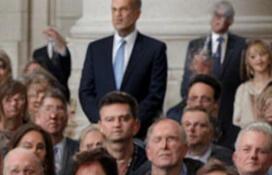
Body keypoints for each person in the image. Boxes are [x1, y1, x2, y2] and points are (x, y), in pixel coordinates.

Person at [77, 0, 168, 138]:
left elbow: (155, 95)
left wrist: (130, 123)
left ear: (137, 14)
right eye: (114, 10)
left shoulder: (154, 49)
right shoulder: (96, 49)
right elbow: (86, 91)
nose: (118, 15)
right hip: (103, 133)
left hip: (139, 134)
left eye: (123, 10)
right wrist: (104, 122)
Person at [180, 2, 244, 141]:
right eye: (216, 15)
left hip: (229, 112)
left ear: (231, 21)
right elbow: (186, 84)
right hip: (200, 112)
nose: (219, 20)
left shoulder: (241, 45)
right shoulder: (196, 44)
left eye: (224, 17)